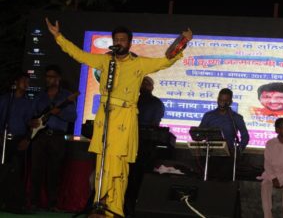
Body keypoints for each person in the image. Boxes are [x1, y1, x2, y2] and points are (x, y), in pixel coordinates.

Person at [45, 18, 192, 217]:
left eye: (123, 39)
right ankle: (99, 204)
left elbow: (164, 61)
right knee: (103, 162)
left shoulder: (139, 63)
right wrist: (58, 36)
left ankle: (114, 209)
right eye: (116, 39)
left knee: (119, 163)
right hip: (105, 115)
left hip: (125, 117)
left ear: (129, 43)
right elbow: (79, 55)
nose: (119, 42)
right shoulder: (105, 60)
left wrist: (183, 42)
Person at [30, 65, 77, 210]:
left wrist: (59, 113)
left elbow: (72, 117)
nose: (49, 79)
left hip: (57, 138)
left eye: (52, 76)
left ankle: (52, 204)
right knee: (36, 170)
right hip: (39, 137)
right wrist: (33, 121)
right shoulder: (40, 96)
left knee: (54, 171)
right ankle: (33, 202)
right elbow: (33, 115)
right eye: (47, 76)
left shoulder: (67, 96)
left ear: (58, 78)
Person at [124, 76, 165, 217]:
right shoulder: (131, 100)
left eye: (147, 84)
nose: (144, 86)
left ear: (152, 87)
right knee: (132, 178)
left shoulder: (154, 103)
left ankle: (134, 209)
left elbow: (155, 124)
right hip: (134, 145)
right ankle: (129, 209)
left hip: (142, 145)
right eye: (142, 83)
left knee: (138, 178)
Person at [199, 88, 249, 180]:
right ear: (217, 100)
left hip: (228, 155)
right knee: (208, 182)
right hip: (210, 154)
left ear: (230, 102)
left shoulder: (236, 118)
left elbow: (245, 136)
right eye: (220, 100)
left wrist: (239, 149)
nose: (222, 103)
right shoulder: (209, 116)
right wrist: (198, 136)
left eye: (225, 101)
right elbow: (199, 133)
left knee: (224, 183)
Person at [0, 72, 32, 213]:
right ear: (16, 82)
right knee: (3, 169)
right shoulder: (5, 99)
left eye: (27, 81)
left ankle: (14, 203)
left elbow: (30, 123)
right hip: (3, 138)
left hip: (18, 139)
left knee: (15, 170)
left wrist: (27, 139)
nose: (26, 84)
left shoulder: (27, 103)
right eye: (23, 80)